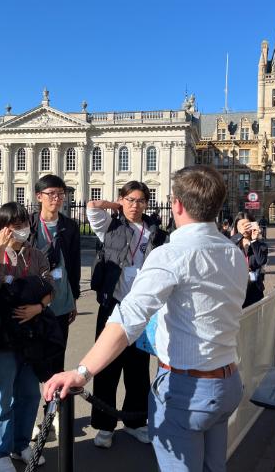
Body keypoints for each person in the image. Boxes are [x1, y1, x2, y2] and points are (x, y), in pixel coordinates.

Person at [44, 165, 247, 472]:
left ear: (176, 204)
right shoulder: (232, 252)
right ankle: (108, 425)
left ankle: (131, 420)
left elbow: (127, 320)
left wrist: (81, 372)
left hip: (186, 389)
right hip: (228, 381)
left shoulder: (171, 253)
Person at [86, 181, 168, 448]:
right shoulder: (110, 225)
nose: (135, 205)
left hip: (143, 308)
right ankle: (104, 425)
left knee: (138, 368)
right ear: (121, 200)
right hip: (114, 303)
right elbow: (92, 207)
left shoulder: (155, 232)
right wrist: (116, 205)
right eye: (130, 200)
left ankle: (135, 421)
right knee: (107, 365)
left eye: (140, 201)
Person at [0, 202, 53, 472]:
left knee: (29, 393)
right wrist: (1, 251)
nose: (21, 230)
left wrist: (39, 306)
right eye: (15, 226)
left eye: (24, 224)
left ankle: (21, 443)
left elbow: (50, 285)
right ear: (3, 228)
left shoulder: (36, 255)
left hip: (32, 333)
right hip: (3, 335)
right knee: (2, 396)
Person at [28, 174, 80, 441]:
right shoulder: (29, 224)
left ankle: (51, 414)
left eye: (61, 194)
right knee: (32, 364)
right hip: (32, 304)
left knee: (57, 361)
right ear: (39, 197)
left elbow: (74, 264)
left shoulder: (69, 226)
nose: (57, 198)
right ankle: (28, 418)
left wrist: (74, 299)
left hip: (60, 303)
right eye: (51, 194)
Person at [232, 217, 268, 308]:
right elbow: (225, 246)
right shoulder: (234, 244)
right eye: (243, 225)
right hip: (236, 288)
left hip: (254, 288)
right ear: (237, 228)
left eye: (248, 225)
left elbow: (261, 261)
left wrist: (254, 241)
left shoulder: (261, 245)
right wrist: (240, 235)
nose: (246, 228)